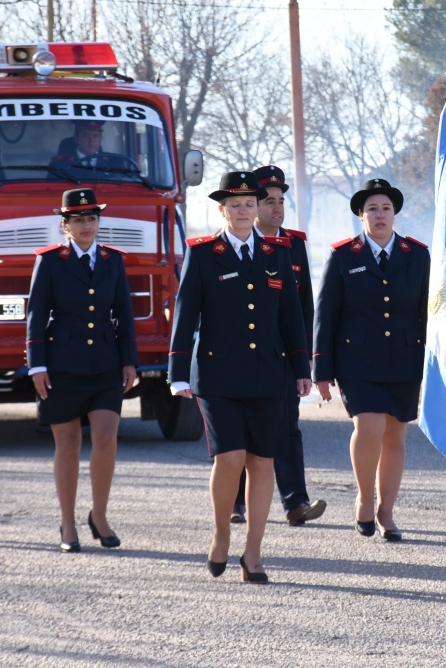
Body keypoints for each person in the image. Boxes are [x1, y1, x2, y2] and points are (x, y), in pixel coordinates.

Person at [168, 171, 311, 584]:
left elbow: (291, 317)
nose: (245, 211)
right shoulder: (203, 252)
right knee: (230, 458)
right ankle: (220, 535)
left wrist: (302, 370)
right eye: (236, 205)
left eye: (250, 204)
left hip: (268, 373)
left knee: (262, 462)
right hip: (217, 375)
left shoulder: (277, 252)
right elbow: (185, 315)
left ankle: (253, 553)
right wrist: (177, 374)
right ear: (222, 210)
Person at [313, 178, 430, 542]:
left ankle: (386, 512)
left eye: (386, 209)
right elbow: (325, 314)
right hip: (357, 360)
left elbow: (430, 310)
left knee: (395, 433)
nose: (380, 215)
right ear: (361, 216)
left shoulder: (418, 254)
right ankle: (365, 499)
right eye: (372, 210)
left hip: (405, 358)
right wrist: (321, 369)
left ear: (395, 214)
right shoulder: (343, 255)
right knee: (369, 426)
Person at [26, 188, 138, 552]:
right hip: (62, 365)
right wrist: (37, 365)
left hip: (105, 363)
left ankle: (100, 516)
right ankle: (67, 523)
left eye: (92, 218)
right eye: (78, 219)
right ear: (65, 225)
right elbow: (36, 315)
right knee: (69, 444)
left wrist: (129, 360)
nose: (86, 225)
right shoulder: (50, 261)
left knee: (106, 438)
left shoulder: (112, 260)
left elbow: (124, 314)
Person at [231, 165, 327, 527]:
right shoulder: (229, 243)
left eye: (281, 201)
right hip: (240, 356)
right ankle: (234, 503)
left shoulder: (294, 244)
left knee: (287, 427)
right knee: (239, 431)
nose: (277, 208)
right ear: (252, 205)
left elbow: (304, 307)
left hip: (283, 356)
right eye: (269, 201)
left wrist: (306, 360)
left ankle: (295, 502)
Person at [49, 120, 132, 171]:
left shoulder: (115, 162)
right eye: (86, 135)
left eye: (95, 136)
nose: (91, 140)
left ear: (100, 139)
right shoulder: (60, 164)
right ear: (76, 138)